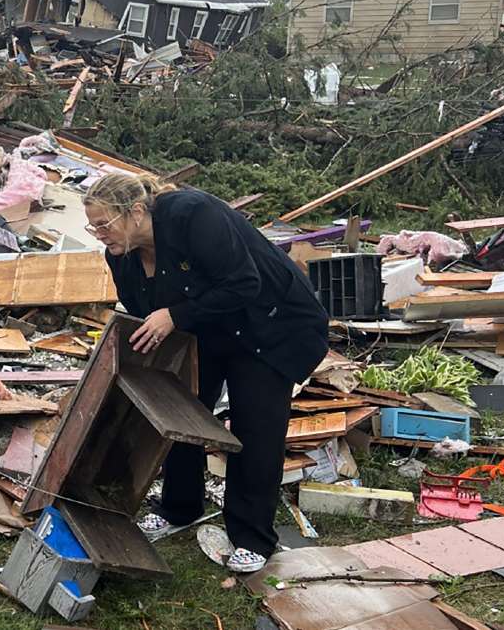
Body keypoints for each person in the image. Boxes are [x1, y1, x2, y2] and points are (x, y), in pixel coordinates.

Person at [82, 173, 329, 573]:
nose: (98, 234)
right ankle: (180, 507)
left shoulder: (193, 215)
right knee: (181, 411)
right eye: (92, 226)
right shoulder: (120, 255)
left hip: (269, 324)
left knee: (255, 429)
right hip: (209, 329)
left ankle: (252, 537)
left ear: (137, 211)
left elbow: (244, 283)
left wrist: (175, 315)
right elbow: (141, 308)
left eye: (104, 224)